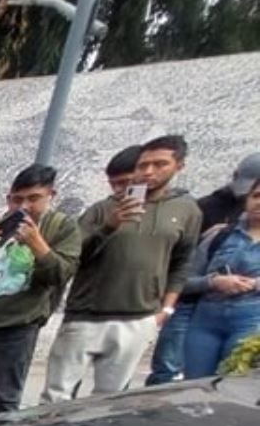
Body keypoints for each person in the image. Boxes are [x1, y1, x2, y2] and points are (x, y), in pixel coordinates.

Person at [44, 136, 202, 403]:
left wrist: (166, 309)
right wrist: (108, 225)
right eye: (143, 165)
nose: (149, 172)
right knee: (56, 395)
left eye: (159, 164)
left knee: (109, 400)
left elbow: (182, 262)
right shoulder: (102, 209)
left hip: (137, 318)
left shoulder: (187, 211)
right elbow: (72, 256)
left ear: (179, 166)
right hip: (85, 314)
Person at [0, 169, 81, 421]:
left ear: (50, 195)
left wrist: (37, 243)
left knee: (4, 400)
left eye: (33, 198)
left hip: (16, 327)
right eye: (16, 199)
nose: (23, 206)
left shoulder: (61, 227)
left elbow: (60, 275)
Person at [181, 183, 260, 377]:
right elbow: (183, 281)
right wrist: (213, 282)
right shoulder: (220, 235)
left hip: (252, 320)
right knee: (195, 385)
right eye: (256, 196)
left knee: (236, 384)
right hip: (205, 320)